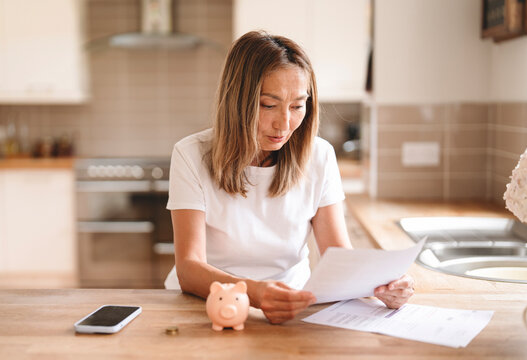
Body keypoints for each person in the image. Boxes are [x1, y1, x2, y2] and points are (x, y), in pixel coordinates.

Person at [164, 31, 414, 324]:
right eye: (268, 105)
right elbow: (189, 268)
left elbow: (338, 257)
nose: (284, 124)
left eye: (297, 106)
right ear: (237, 101)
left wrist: (383, 287)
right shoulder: (190, 155)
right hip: (209, 305)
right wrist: (254, 292)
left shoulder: (319, 156)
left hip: (292, 308)